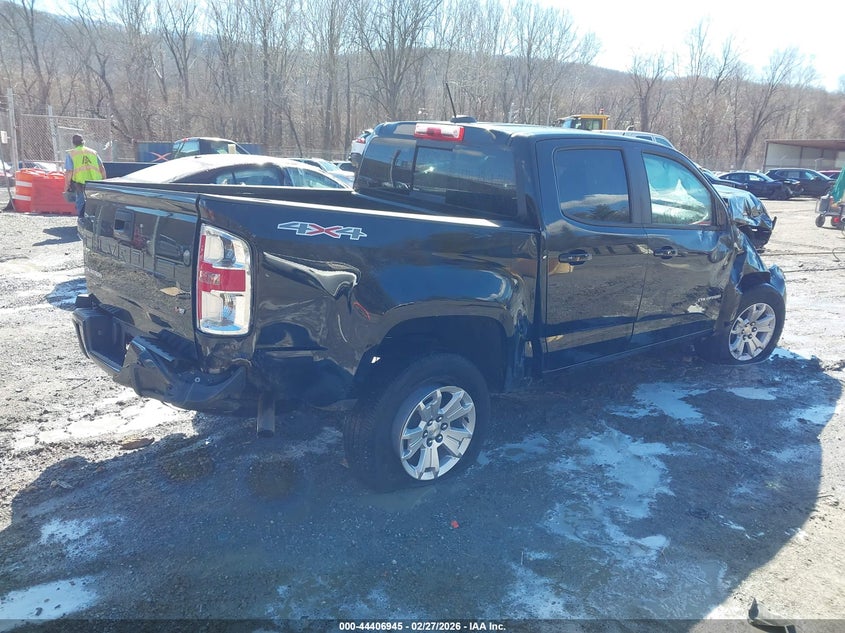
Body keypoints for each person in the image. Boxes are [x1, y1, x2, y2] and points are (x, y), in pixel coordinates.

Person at [64, 134, 106, 217]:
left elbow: (69, 172)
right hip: (96, 182)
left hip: (80, 183)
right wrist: (104, 181)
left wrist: (67, 185)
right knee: (96, 203)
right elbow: (102, 168)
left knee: (81, 203)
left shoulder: (71, 154)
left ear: (73, 143)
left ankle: (82, 220)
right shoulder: (93, 152)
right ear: (83, 142)